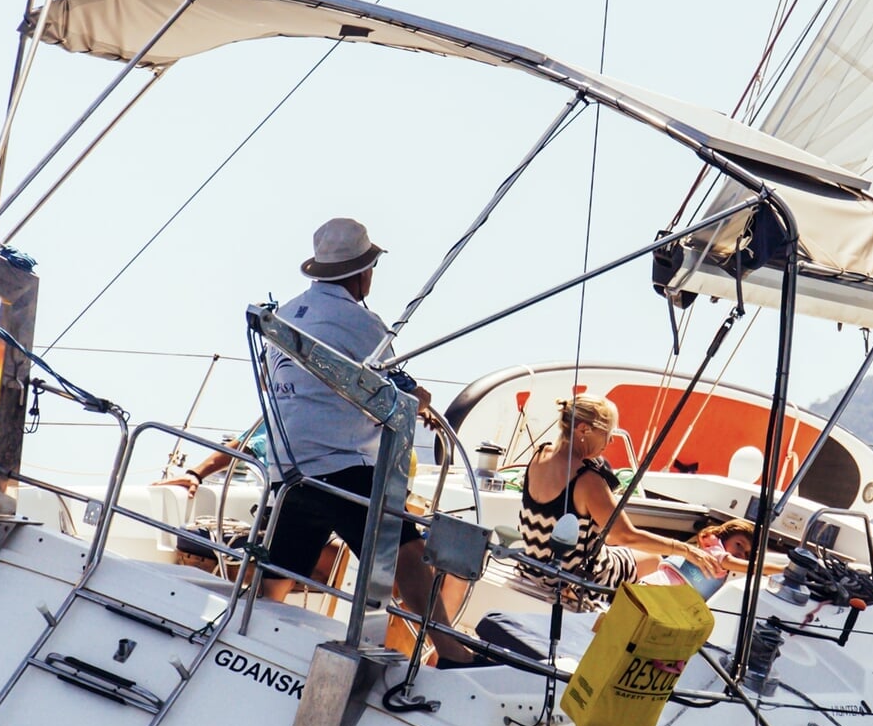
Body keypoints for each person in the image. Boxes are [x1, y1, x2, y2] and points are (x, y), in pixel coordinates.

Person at [260, 217, 474, 665]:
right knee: (409, 554)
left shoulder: (285, 316)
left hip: (288, 466)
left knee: (280, 568)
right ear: (363, 271)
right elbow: (400, 396)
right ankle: (451, 651)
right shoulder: (362, 325)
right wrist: (423, 402)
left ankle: (254, 628)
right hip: (342, 465)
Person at [519, 395, 725, 601]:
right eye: (607, 433)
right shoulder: (586, 480)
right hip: (572, 579)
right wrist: (686, 550)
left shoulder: (540, 453)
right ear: (583, 430)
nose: (610, 441)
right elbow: (623, 536)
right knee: (653, 559)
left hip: (533, 569)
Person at [639, 517, 787, 597]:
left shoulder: (723, 565)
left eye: (746, 554)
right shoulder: (715, 552)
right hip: (658, 588)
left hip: (672, 597)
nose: (740, 554)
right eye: (739, 544)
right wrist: (783, 570)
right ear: (723, 538)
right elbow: (752, 568)